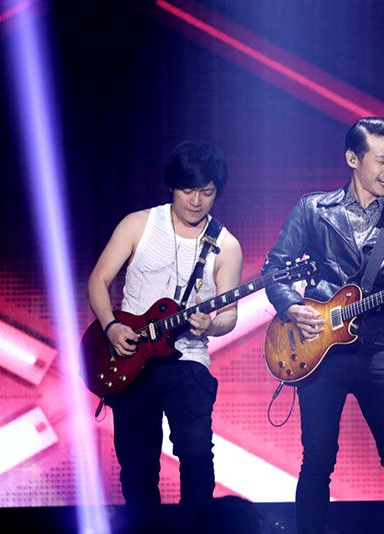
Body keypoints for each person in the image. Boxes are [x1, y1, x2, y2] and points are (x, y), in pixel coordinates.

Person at [261, 117, 384, 534]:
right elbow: (275, 269)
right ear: (353, 158)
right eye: (382, 160)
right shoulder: (313, 210)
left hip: (379, 350)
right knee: (317, 461)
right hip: (320, 349)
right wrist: (291, 307)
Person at [86, 140, 243, 532]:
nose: (197, 201)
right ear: (172, 186)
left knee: (196, 454)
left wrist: (212, 325)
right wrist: (111, 326)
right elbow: (98, 280)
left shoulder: (226, 245)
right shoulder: (138, 224)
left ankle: (197, 528)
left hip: (189, 362)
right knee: (137, 461)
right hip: (131, 359)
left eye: (207, 192)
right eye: (188, 190)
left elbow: (229, 316)